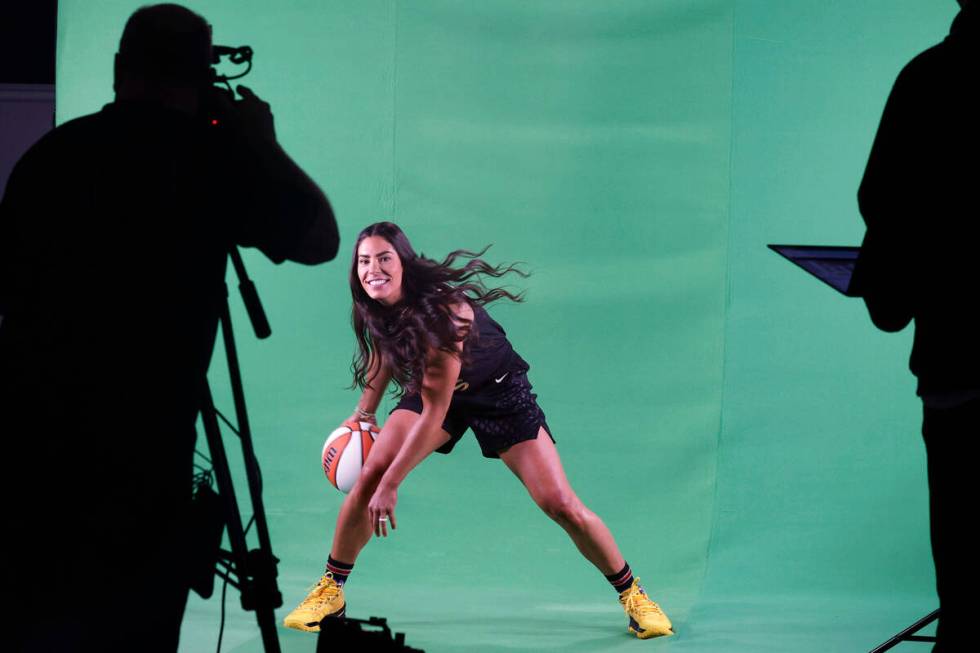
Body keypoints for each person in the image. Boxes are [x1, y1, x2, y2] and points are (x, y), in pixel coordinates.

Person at [0, 4, 338, 651]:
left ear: (120, 70)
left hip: (28, 466)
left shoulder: (53, 156)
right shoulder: (213, 161)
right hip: (145, 470)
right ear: (203, 75)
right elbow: (318, 237)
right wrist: (260, 140)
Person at [282, 221, 673, 640]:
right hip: (436, 390)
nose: (372, 269)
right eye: (364, 261)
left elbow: (434, 414)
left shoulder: (443, 317)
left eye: (384, 258)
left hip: (498, 393)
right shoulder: (375, 301)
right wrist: (363, 415)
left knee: (559, 502)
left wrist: (393, 483)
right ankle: (331, 593)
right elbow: (386, 351)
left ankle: (634, 595)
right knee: (370, 473)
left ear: (405, 264)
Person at [852, 1, 978, 650]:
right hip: (959, 376)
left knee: (968, 573)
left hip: (961, 374)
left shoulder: (930, 77)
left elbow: (884, 203)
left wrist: (885, 289)